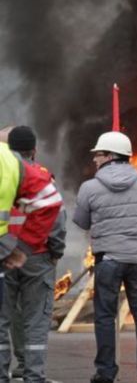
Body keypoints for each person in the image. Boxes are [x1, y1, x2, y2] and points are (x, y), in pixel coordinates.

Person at [72, 131, 137, 383]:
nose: (94, 159)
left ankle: (105, 371)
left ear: (111, 156)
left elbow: (81, 222)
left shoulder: (89, 187)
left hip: (108, 261)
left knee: (104, 316)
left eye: (98, 154)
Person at [0, 126, 66, 383]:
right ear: (34, 150)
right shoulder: (39, 176)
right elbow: (56, 218)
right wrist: (55, 251)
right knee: (36, 320)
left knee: (3, 319)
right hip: (35, 256)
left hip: (5, 256)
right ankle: (33, 375)